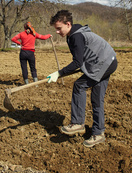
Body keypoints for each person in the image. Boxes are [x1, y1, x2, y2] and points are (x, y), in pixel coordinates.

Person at [47, 10, 117, 148]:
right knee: (97, 99)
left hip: (103, 63)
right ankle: (98, 133)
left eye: (59, 28)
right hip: (109, 61)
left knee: (79, 85)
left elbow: (77, 62)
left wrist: (59, 73)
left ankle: (78, 123)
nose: (57, 32)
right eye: (55, 29)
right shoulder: (74, 34)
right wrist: (61, 73)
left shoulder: (76, 36)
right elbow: (82, 59)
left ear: (68, 24)